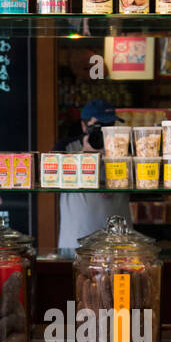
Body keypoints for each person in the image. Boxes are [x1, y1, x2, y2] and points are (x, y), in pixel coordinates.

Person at [54, 98, 131, 250]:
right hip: (76, 243)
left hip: (119, 244)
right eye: (100, 126)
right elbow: (51, 178)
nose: (105, 131)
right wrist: (86, 156)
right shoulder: (67, 147)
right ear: (84, 126)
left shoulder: (127, 148)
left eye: (110, 125)